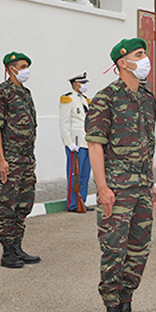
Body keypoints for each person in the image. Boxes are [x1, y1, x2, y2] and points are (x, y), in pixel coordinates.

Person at [86, 38, 156, 312]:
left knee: (139, 250)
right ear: (122, 62)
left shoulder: (147, 98)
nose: (145, 59)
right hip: (117, 187)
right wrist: (102, 187)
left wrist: (151, 182)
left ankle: (127, 307)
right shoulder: (106, 98)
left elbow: (148, 145)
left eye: (145, 54)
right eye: (139, 55)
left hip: (141, 186)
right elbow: (95, 145)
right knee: (114, 250)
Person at [0, 52, 41, 269]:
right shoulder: (0, 93)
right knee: (7, 205)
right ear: (11, 69)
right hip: (10, 157)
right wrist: (1, 158)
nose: (26, 69)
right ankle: (7, 252)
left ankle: (18, 246)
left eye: (27, 65)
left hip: (26, 158)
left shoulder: (25, 93)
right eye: (22, 65)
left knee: (24, 203)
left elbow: (30, 127)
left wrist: (32, 156)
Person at [59, 72, 93, 212]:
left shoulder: (85, 100)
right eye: (82, 83)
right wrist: (68, 142)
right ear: (75, 84)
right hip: (76, 144)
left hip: (86, 143)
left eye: (86, 83)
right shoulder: (68, 99)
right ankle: (73, 204)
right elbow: (63, 123)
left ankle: (82, 201)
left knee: (85, 175)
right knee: (75, 175)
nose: (85, 86)